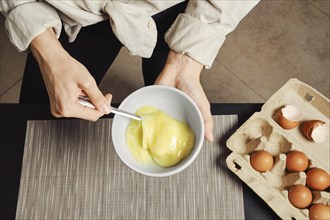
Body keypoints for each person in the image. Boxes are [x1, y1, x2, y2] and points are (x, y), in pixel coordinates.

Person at [0, 0, 260, 142]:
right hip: (69, 15)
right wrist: (48, 54)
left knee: (168, 91)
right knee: (40, 119)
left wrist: (186, 58)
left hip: (174, 8)